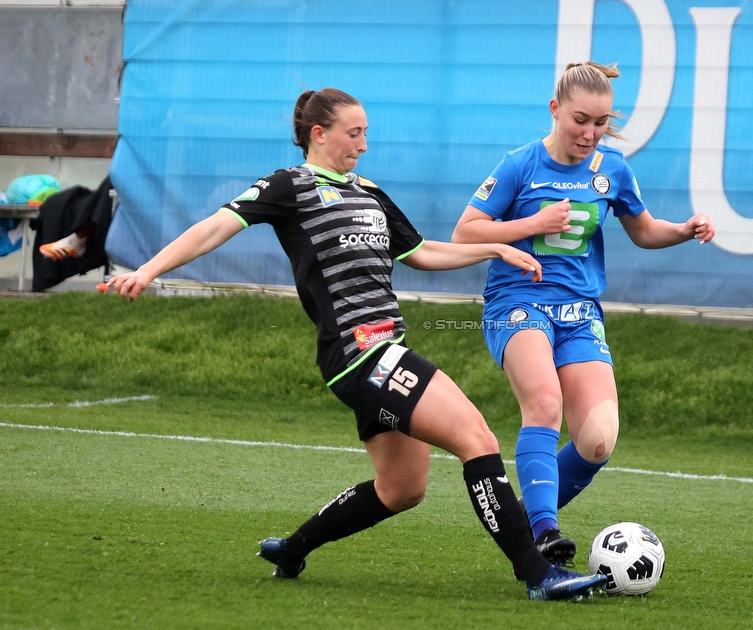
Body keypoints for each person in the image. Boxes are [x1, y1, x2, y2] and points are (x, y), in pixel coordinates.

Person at [105, 87, 607, 601]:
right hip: (360, 353)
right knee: (477, 438)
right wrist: (146, 271)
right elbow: (214, 228)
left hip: (383, 352)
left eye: (366, 132)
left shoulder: (367, 192)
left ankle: (293, 548)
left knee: (402, 488)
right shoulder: (289, 186)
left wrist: (495, 247)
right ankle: (538, 574)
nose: (363, 144)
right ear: (318, 134)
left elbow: (423, 252)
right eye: (354, 133)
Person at [452, 62, 716, 563]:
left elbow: (644, 230)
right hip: (518, 302)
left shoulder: (612, 169)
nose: (590, 133)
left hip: (580, 311)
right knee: (545, 405)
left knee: (597, 440)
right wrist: (532, 222)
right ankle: (546, 535)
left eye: (600, 123)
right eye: (580, 120)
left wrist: (684, 229)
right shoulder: (520, 164)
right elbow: (466, 232)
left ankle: (528, 515)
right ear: (554, 110)